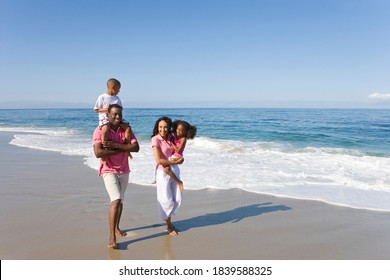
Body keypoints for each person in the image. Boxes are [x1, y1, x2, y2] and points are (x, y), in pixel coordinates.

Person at [93, 104, 140, 249]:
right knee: (116, 199)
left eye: (120, 114)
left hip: (124, 169)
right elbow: (98, 153)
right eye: (114, 114)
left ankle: (117, 227)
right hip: (108, 169)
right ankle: (111, 236)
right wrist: (123, 149)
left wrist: (114, 146)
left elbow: (136, 147)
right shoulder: (99, 130)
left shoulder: (125, 130)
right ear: (108, 115)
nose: (118, 117)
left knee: (120, 201)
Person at [151, 117, 184, 236]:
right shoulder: (155, 140)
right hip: (162, 172)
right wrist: (175, 162)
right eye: (160, 127)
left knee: (177, 199)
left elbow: (179, 150)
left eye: (165, 127)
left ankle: (169, 220)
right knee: (166, 200)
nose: (163, 129)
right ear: (157, 127)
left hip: (174, 170)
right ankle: (169, 226)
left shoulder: (171, 137)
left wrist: (181, 158)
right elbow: (159, 160)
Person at [94, 78, 133, 161]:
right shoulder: (102, 97)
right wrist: (106, 109)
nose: (119, 91)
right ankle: (105, 150)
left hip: (116, 117)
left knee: (128, 128)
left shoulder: (117, 98)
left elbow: (120, 109)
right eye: (118, 89)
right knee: (105, 129)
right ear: (113, 87)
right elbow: (96, 110)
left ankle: (127, 148)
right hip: (105, 118)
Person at [162, 119, 197, 192]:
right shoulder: (174, 134)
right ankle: (157, 179)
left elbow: (178, 150)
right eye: (178, 129)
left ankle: (179, 182)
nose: (178, 132)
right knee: (162, 165)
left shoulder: (183, 139)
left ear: (185, 132)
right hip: (172, 154)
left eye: (181, 131)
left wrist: (172, 144)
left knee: (166, 169)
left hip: (177, 155)